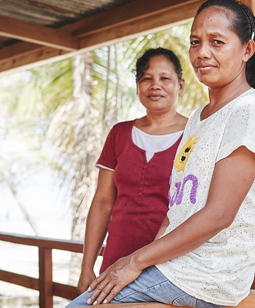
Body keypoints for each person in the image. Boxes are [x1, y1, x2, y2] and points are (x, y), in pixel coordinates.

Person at [67, 0, 255, 307]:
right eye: (195, 42)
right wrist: (145, 263)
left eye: (217, 42)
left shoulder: (247, 112)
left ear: (247, 50)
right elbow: (178, 208)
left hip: (209, 274)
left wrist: (134, 262)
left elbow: (219, 215)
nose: (202, 52)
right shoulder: (197, 117)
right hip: (175, 266)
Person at [77, 48, 189, 293]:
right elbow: (103, 202)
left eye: (164, 78)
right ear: (138, 86)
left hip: (167, 268)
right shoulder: (119, 134)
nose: (155, 85)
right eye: (147, 78)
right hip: (114, 262)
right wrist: (87, 267)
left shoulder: (195, 136)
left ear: (180, 86)